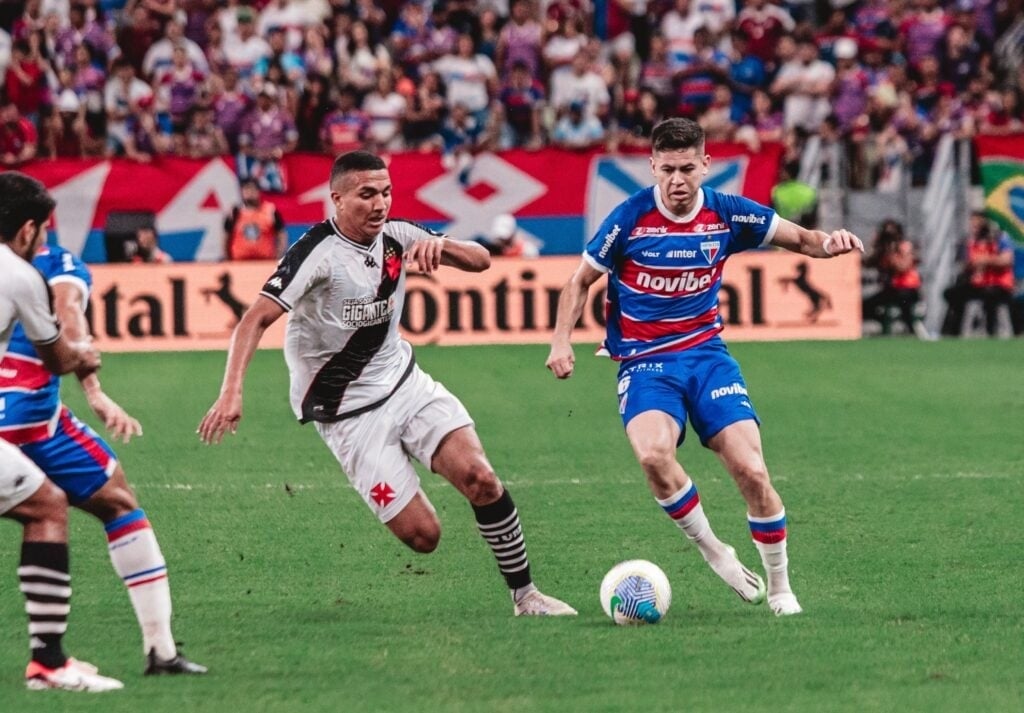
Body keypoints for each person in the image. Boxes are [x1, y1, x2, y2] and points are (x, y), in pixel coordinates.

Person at [198, 150, 576, 618]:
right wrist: (231, 391)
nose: (380, 204)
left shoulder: (397, 234)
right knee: (424, 537)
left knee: (482, 479)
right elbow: (254, 319)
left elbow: (482, 261)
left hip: (404, 384)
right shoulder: (316, 253)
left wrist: (447, 249)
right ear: (336, 199)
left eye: (386, 192)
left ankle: (527, 596)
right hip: (346, 415)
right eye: (366, 195)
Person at [546, 119, 864, 617]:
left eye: (687, 168)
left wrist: (832, 243)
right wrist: (560, 341)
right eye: (667, 169)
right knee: (653, 456)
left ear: (705, 165)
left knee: (752, 470)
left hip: (707, 357)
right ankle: (715, 550)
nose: (677, 179)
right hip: (646, 362)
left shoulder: (727, 213)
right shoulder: (629, 217)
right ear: (652, 166)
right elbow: (579, 281)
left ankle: (780, 588)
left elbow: (802, 240)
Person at [1, 225, 206, 675]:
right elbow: (70, 310)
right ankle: (156, 650)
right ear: (35, 227)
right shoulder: (53, 263)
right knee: (115, 502)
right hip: (32, 420)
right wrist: (92, 387)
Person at [0, 171, 122, 692]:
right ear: (27, 230)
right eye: (42, 231)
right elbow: (56, 355)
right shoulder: (22, 275)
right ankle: (48, 663)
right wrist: (85, 359)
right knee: (48, 507)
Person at [942, 212, 1022, 336]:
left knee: (991, 298)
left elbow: (1007, 260)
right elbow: (965, 262)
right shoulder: (971, 241)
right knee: (952, 294)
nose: (973, 225)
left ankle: (994, 331)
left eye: (976, 221)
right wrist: (971, 265)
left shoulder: (999, 238)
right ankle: (953, 331)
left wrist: (985, 260)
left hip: (999, 284)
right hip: (979, 284)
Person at [861, 219, 928, 337]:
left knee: (904, 303)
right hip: (892, 289)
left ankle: (913, 328)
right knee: (865, 306)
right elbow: (867, 262)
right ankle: (884, 324)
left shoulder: (904, 246)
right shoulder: (882, 249)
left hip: (908, 288)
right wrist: (875, 246)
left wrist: (891, 255)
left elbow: (903, 267)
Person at [224, 178, 287, 261]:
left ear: (258, 191)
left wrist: (278, 257)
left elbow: (281, 235)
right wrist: (228, 260)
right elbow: (226, 237)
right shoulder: (235, 213)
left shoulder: (270, 211)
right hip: (239, 265)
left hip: (265, 264)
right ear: (241, 192)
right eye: (246, 189)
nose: (250, 192)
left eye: (252, 189)